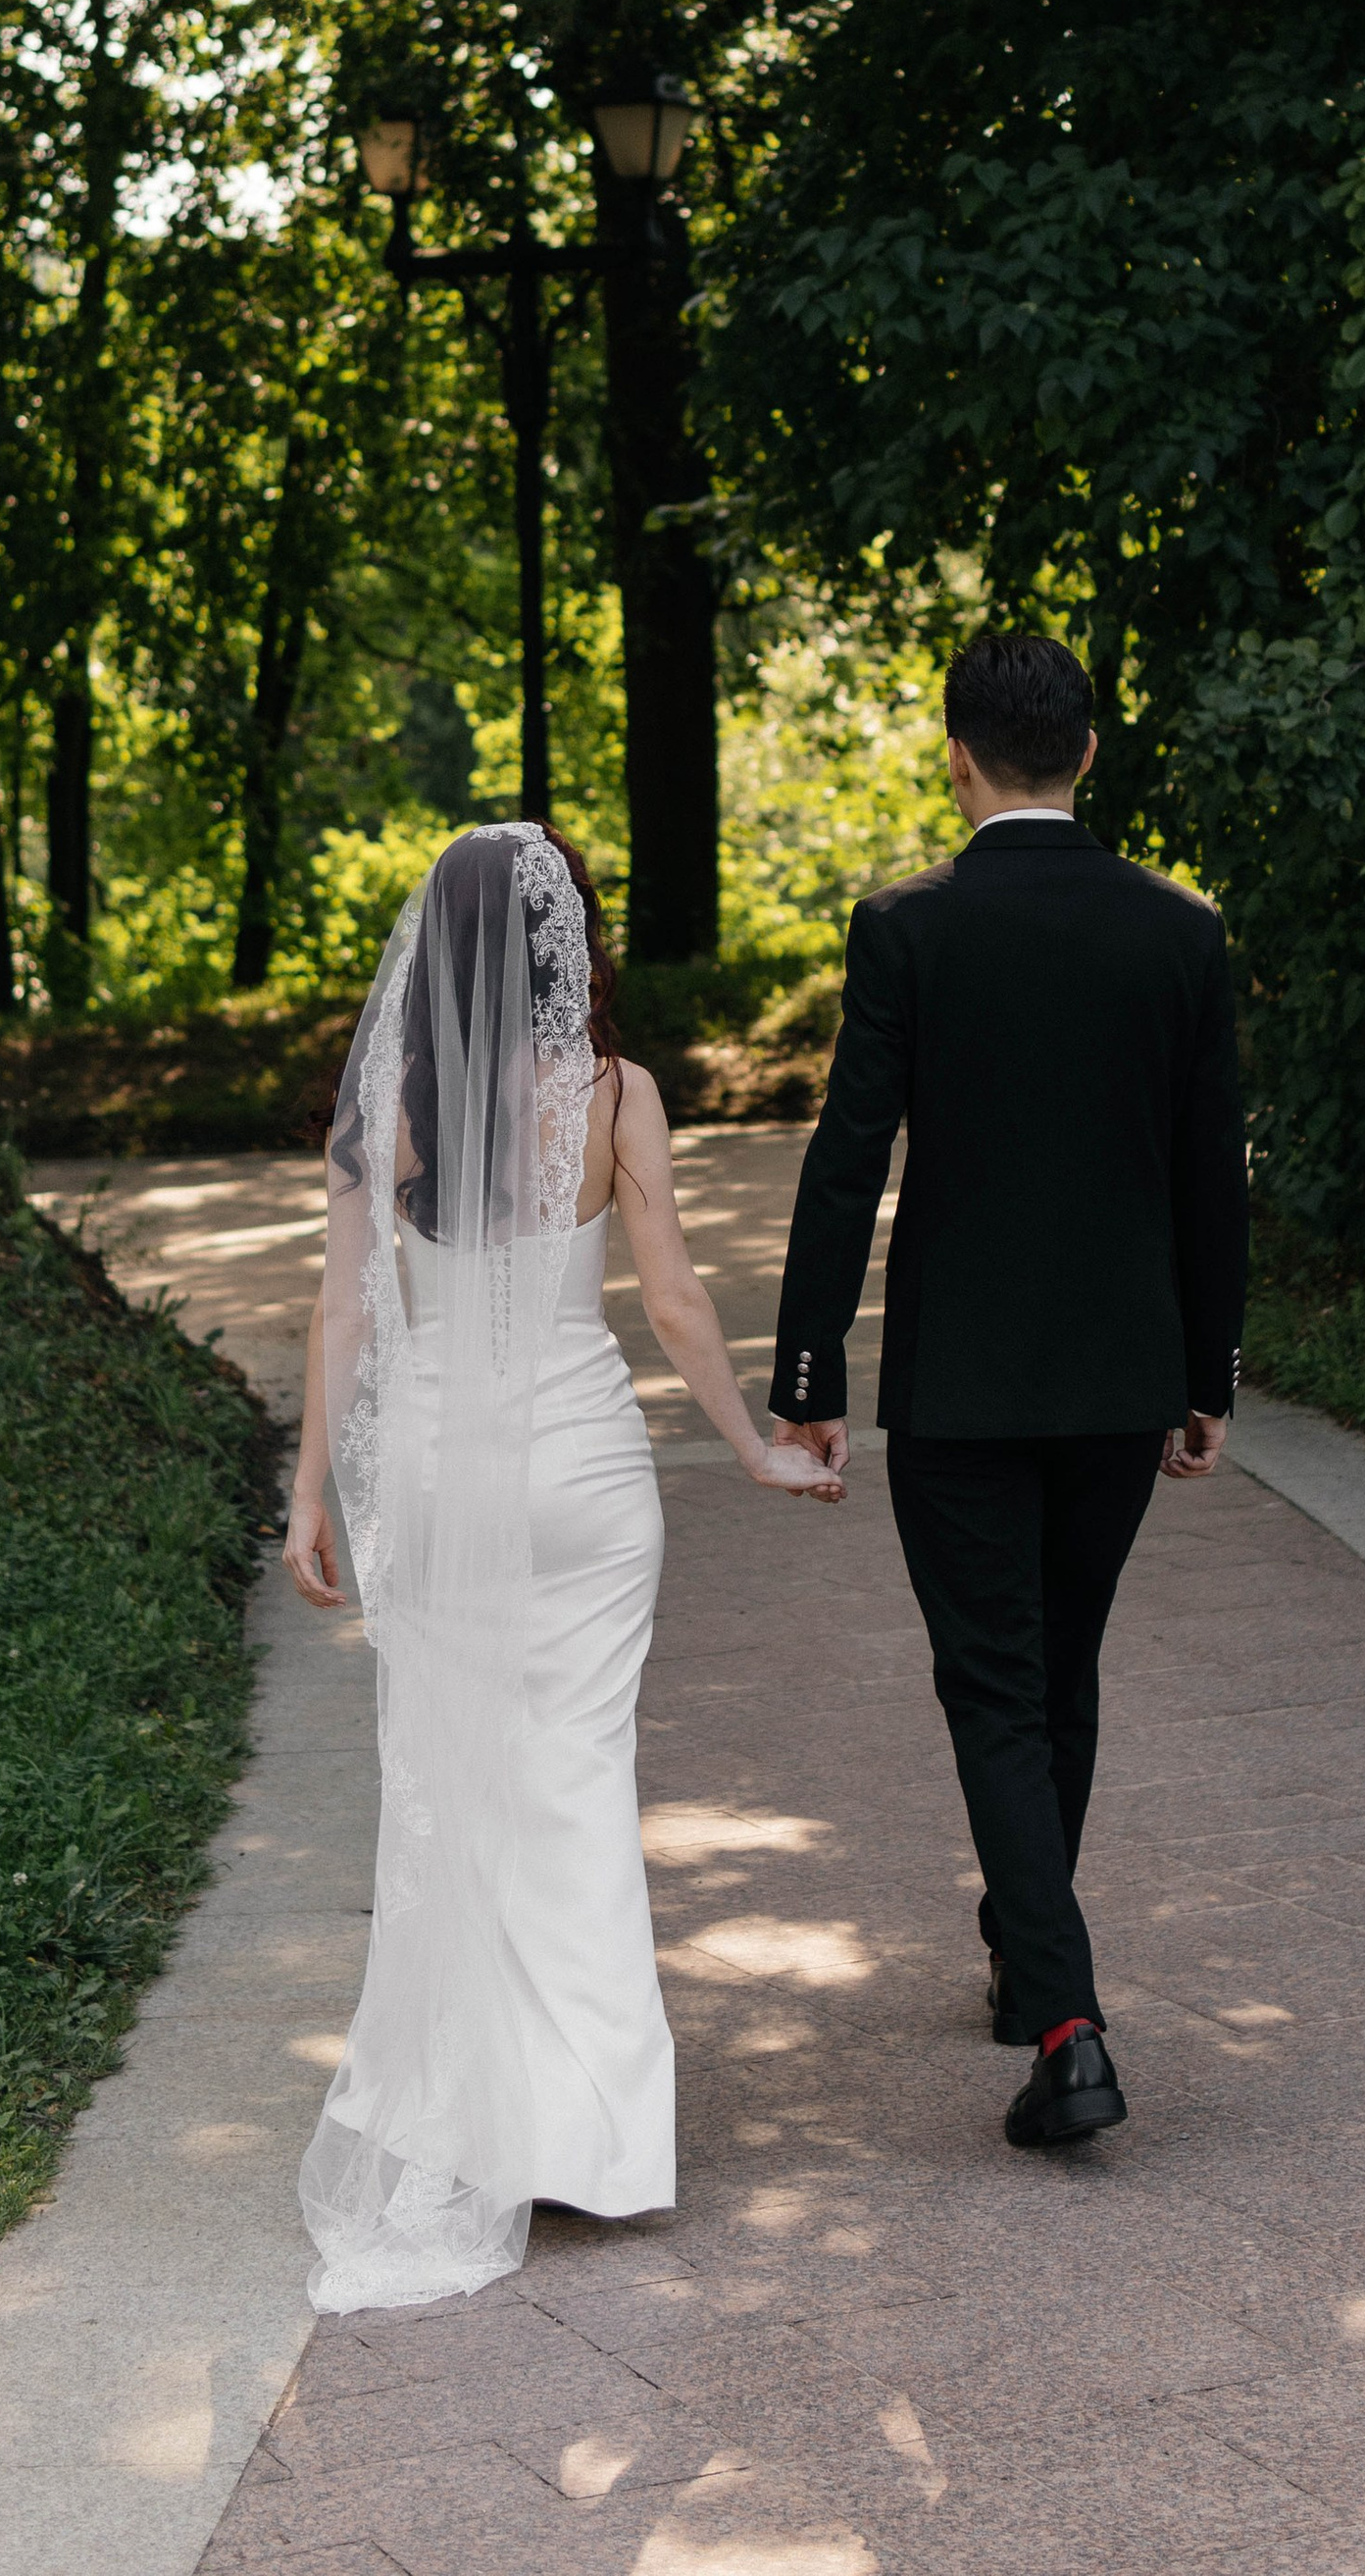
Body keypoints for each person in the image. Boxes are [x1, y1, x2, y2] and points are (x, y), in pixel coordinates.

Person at [278, 819, 842, 2311]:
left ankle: (462, 2123)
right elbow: (669, 1300)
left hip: (440, 1475)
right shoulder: (614, 1094)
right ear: (558, 941)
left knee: (455, 1785)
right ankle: (594, 2140)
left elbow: (340, 1321)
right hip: (586, 1478)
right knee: (579, 1778)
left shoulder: (385, 1110)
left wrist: (306, 1497)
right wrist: (756, 1448)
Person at [769, 630, 1248, 2149]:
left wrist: (806, 1375)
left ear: (958, 759)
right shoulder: (1179, 929)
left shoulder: (909, 927)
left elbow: (851, 1157)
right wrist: (1205, 1371)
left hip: (962, 1387)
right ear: (1089, 753)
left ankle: (1066, 2024)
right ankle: (1020, 1952)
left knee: (993, 1684)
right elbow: (1209, 1177)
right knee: (1063, 1668)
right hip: (1119, 1377)